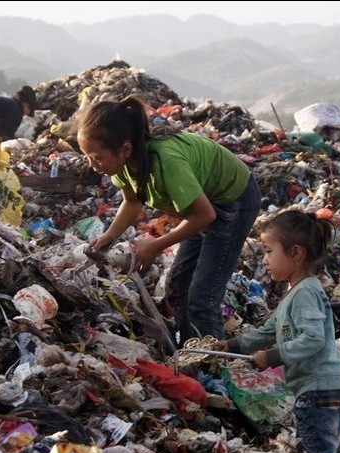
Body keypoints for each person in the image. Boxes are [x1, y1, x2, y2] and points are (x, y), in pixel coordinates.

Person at [75, 95, 261, 345]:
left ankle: (213, 368)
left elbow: (205, 215)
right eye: (88, 157)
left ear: (125, 149)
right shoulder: (123, 166)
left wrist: (156, 245)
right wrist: (110, 235)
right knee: (177, 285)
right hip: (201, 205)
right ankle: (190, 350)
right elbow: (132, 201)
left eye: (97, 157)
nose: (93, 165)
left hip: (233, 199)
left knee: (202, 295)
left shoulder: (166, 161)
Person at [215, 209, 340, 453]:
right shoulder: (296, 292)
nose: (265, 260)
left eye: (268, 251)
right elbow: (268, 331)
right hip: (327, 389)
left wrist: (272, 357)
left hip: (318, 391)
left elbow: (313, 339)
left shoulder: (304, 293)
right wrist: (231, 346)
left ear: (296, 253)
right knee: (314, 451)